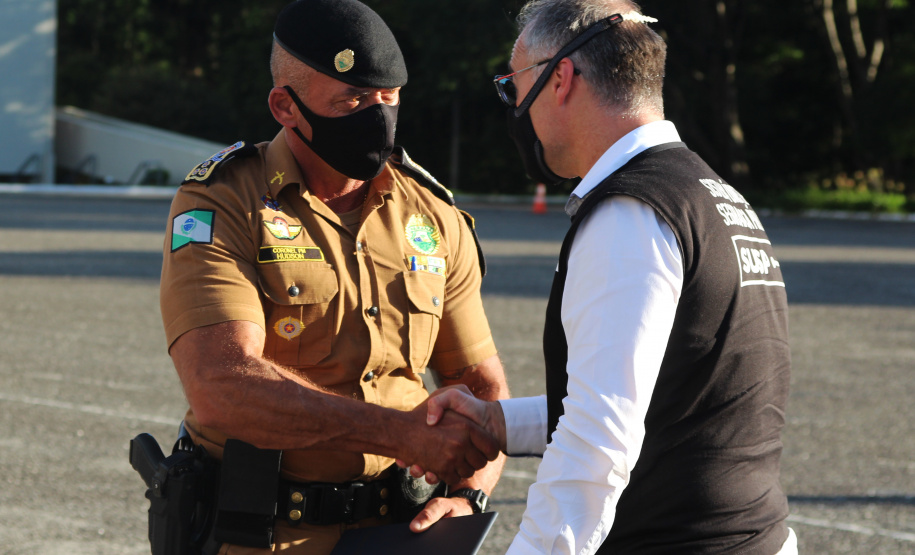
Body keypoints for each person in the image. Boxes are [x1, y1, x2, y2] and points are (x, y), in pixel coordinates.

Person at [408, 1, 798, 553]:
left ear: (560, 78)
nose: (515, 107)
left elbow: (599, 434)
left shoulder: (631, 212)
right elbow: (665, 395)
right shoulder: (710, 195)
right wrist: (498, 421)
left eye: (513, 86)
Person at [157, 0, 508, 553]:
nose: (378, 116)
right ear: (285, 106)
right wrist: (399, 433)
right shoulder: (223, 202)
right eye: (353, 100)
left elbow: (481, 387)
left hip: (400, 532)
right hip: (261, 534)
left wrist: (468, 495)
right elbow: (221, 385)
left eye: (389, 98)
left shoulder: (433, 216)